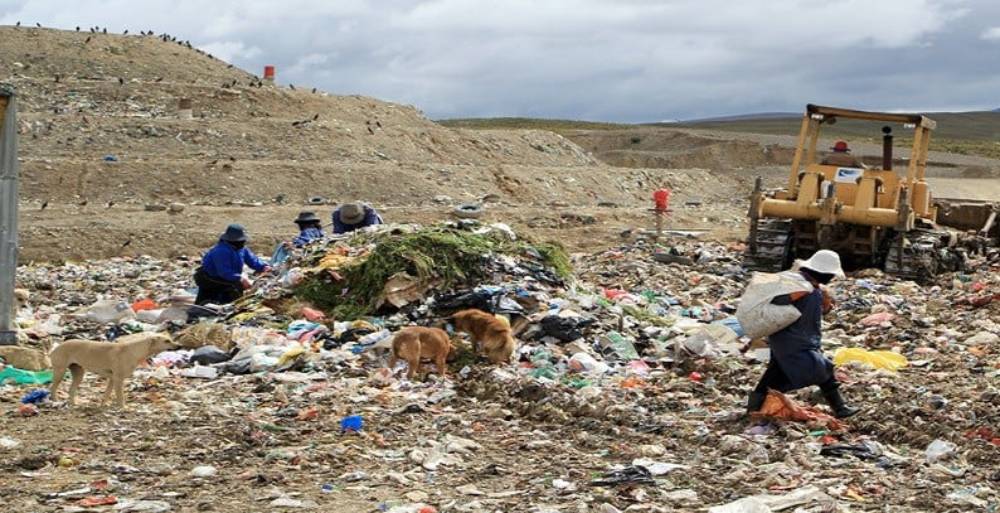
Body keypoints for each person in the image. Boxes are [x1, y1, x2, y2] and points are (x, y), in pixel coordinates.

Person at [746, 250, 859, 418]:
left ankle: (753, 409)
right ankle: (840, 408)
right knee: (822, 368)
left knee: (774, 374)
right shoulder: (798, 286)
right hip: (793, 341)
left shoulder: (813, 287)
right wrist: (799, 294)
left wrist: (825, 302)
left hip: (794, 338)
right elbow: (777, 300)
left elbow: (812, 312)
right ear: (824, 273)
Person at [194, 224, 271, 305]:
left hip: (226, 277)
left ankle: (227, 304)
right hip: (210, 278)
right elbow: (224, 272)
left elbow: (252, 260)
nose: (242, 242)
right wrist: (240, 278)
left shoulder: (242, 249)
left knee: (230, 291)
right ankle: (234, 307)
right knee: (234, 287)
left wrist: (263, 266)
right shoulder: (221, 250)